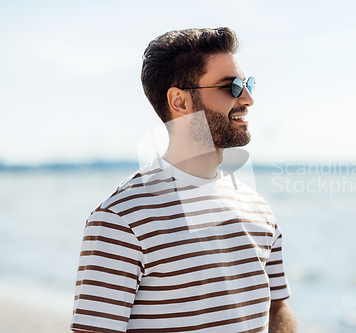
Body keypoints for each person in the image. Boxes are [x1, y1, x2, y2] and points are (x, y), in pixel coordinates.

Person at [71, 27, 295, 333]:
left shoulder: (259, 208)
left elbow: (277, 308)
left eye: (248, 84)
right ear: (179, 101)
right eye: (232, 87)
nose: (248, 98)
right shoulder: (120, 220)